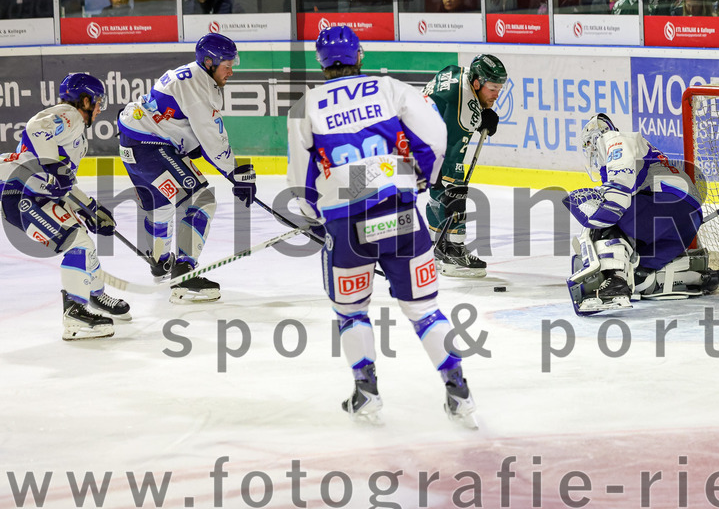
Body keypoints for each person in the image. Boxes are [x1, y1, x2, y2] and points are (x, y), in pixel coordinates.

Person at [285, 25, 477, 427]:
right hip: (401, 211)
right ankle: (459, 391)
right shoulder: (390, 88)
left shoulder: (305, 106)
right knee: (424, 310)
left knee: (351, 312)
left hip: (346, 222)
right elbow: (434, 140)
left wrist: (316, 217)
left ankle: (366, 392)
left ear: (321, 64)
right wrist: (418, 178)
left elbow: (300, 178)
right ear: (360, 56)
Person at [116, 34, 256, 303]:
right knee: (202, 200)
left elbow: (192, 133)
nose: (231, 72)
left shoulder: (192, 75)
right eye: (227, 66)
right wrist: (234, 173)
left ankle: (160, 261)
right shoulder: (198, 87)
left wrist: (225, 168)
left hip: (133, 144)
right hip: (151, 147)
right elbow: (212, 138)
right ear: (209, 62)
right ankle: (184, 273)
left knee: (161, 206)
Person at [0, 73, 131, 340]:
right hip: (18, 192)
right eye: (98, 102)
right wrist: (52, 167)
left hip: (33, 193)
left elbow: (63, 183)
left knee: (83, 240)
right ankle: (74, 313)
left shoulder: (75, 135)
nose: (99, 109)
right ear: (85, 101)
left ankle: (94, 294)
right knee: (77, 242)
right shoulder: (70, 115)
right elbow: (37, 127)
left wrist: (91, 208)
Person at [564, 114, 719, 315]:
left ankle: (616, 281)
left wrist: (594, 213)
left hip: (665, 205)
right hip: (686, 222)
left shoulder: (615, 140)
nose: (591, 151)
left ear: (596, 138)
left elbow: (616, 199)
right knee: (639, 276)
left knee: (603, 221)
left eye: (589, 145)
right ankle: (697, 276)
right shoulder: (636, 150)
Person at [422, 54, 505, 277]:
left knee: (441, 190)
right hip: (422, 144)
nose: (496, 95)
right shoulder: (464, 111)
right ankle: (454, 252)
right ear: (476, 84)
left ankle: (436, 248)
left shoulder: (458, 72)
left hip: (412, 135)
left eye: (499, 89)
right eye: (492, 89)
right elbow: (451, 157)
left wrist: (481, 115)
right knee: (453, 190)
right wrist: (453, 187)